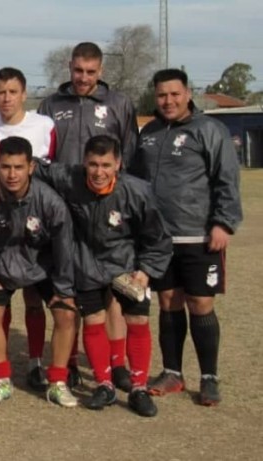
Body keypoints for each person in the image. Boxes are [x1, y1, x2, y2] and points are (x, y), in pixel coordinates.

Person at [26, 134, 171, 417]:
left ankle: (139, 387)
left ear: (118, 164)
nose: (99, 172)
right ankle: (104, 384)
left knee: (138, 320)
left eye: (106, 164)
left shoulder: (137, 191)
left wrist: (146, 271)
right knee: (94, 320)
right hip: (87, 265)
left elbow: (158, 237)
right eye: (93, 164)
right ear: (84, 163)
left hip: (126, 266)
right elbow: (29, 165)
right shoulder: (69, 178)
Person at [129, 68, 242, 406]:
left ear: (188, 93)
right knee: (167, 302)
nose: (168, 101)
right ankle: (172, 373)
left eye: (175, 94)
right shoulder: (148, 133)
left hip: (199, 236)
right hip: (159, 239)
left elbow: (226, 178)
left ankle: (209, 378)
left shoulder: (209, 129)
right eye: (162, 95)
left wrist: (223, 223)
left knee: (200, 303)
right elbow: (135, 182)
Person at [38, 42, 139, 389]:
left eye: (90, 72)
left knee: (112, 291)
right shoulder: (51, 104)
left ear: (101, 71)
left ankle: (117, 365)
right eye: (78, 70)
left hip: (107, 208)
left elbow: (130, 156)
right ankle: (69, 362)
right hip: (65, 208)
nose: (83, 78)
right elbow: (43, 158)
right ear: (69, 67)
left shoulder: (119, 104)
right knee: (74, 286)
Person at [0, 136, 77, 408]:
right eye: (5, 167)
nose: (12, 174)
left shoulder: (51, 203)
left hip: (42, 267)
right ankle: (2, 379)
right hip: (0, 267)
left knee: (66, 313)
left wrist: (64, 289)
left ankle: (58, 382)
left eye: (18, 167)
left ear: (31, 167)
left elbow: (64, 249)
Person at [0, 67, 58, 390]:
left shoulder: (44, 125)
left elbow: (50, 170)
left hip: (34, 221)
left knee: (34, 297)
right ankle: (1, 366)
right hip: (0, 221)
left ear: (24, 94)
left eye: (12, 92)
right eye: (0, 92)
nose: (6, 98)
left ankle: (35, 362)